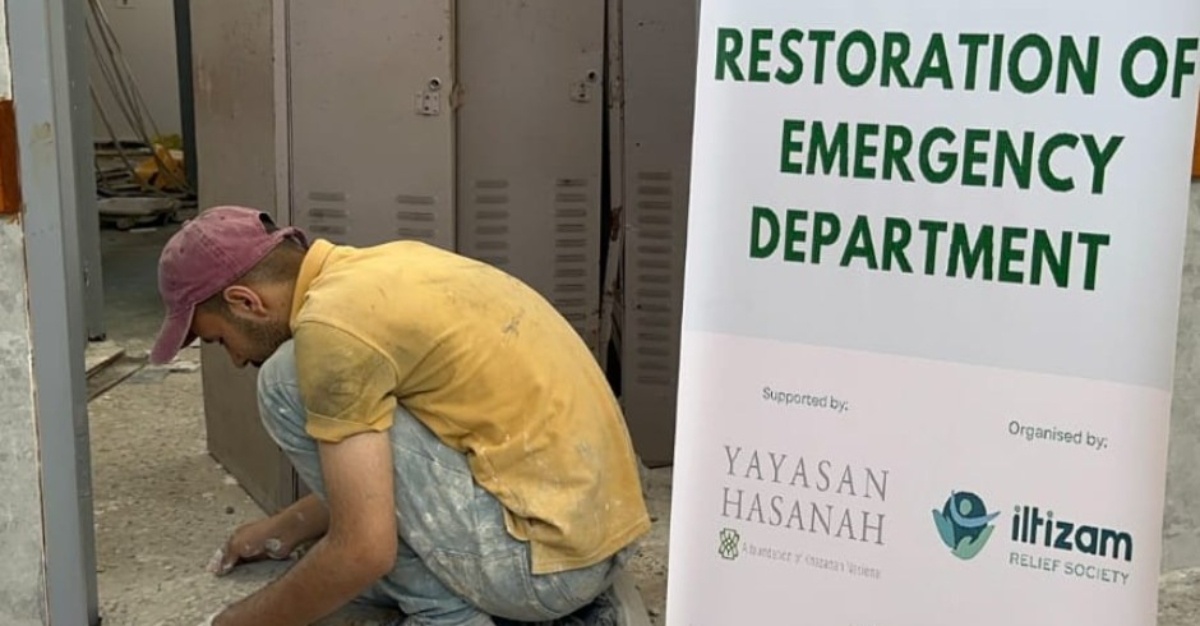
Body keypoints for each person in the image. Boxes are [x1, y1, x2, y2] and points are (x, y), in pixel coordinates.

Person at [149, 205, 652, 626]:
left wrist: (238, 622)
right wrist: (287, 527)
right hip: (599, 541)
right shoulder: (388, 269)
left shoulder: (332, 330)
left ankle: (443, 614)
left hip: (543, 574)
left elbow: (364, 551)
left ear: (245, 301)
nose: (236, 359)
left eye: (219, 340)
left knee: (284, 380)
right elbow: (400, 475)